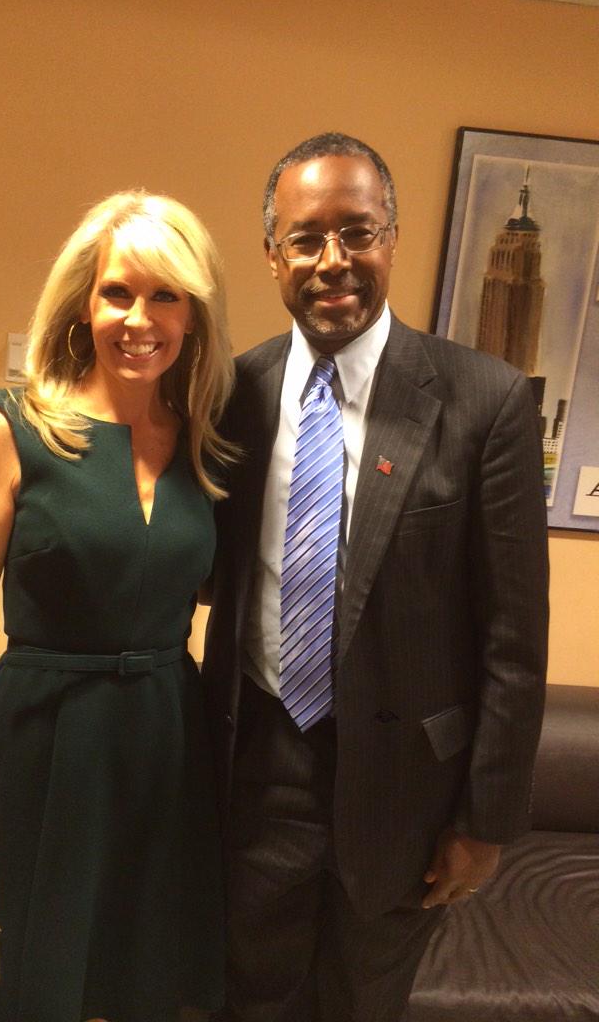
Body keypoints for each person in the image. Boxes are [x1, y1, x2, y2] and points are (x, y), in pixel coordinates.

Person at [202, 132, 549, 1022]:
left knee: (365, 1005)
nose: (334, 260)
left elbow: (514, 640)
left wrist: (486, 823)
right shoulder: (232, 396)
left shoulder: (486, 401)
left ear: (392, 237)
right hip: (261, 770)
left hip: (409, 794)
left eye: (357, 232)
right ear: (273, 253)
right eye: (306, 238)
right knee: (252, 1001)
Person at [0, 190, 235, 1022]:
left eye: (165, 296)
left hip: (165, 745)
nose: (139, 319)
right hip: (44, 742)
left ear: (192, 315)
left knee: (140, 978)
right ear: (86, 303)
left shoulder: (205, 445)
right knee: (25, 981)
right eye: (118, 292)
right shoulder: (15, 430)